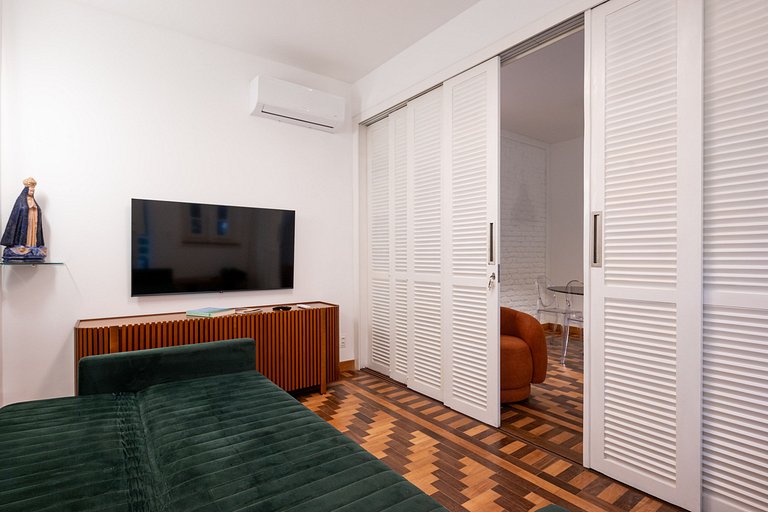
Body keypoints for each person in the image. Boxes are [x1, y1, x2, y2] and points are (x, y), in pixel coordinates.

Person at [1, 177, 47, 262]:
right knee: (26, 233)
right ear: (26, 190)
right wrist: (27, 208)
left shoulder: (33, 201)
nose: (32, 192)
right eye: (30, 190)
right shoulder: (21, 200)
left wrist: (36, 209)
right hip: (24, 222)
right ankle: (22, 245)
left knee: (32, 234)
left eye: (33, 191)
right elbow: (19, 210)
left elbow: (38, 210)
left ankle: (31, 245)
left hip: (33, 221)